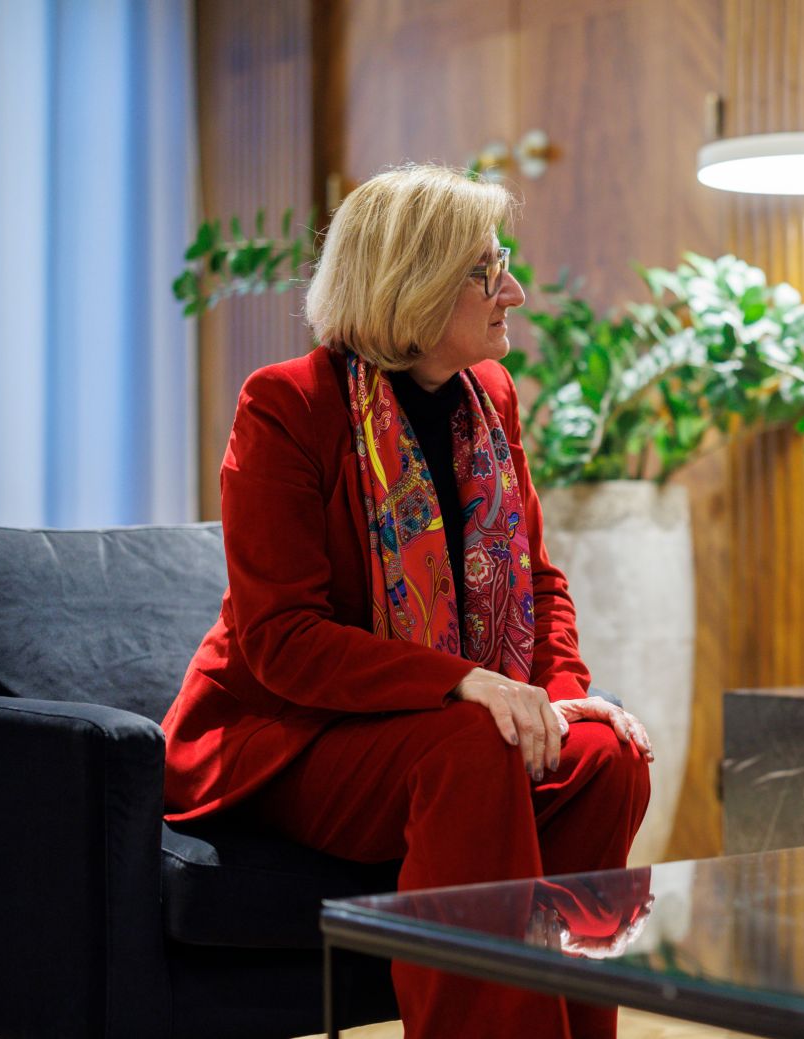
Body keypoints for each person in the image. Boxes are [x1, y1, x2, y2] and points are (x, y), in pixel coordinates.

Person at [162, 164, 654, 1038]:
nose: (511, 288)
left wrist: (564, 693)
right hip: (294, 734)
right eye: (483, 270)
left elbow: (537, 580)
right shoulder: (287, 406)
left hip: (437, 723)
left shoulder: (490, 397)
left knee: (607, 754)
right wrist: (467, 683)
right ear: (413, 286)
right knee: (473, 743)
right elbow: (283, 641)